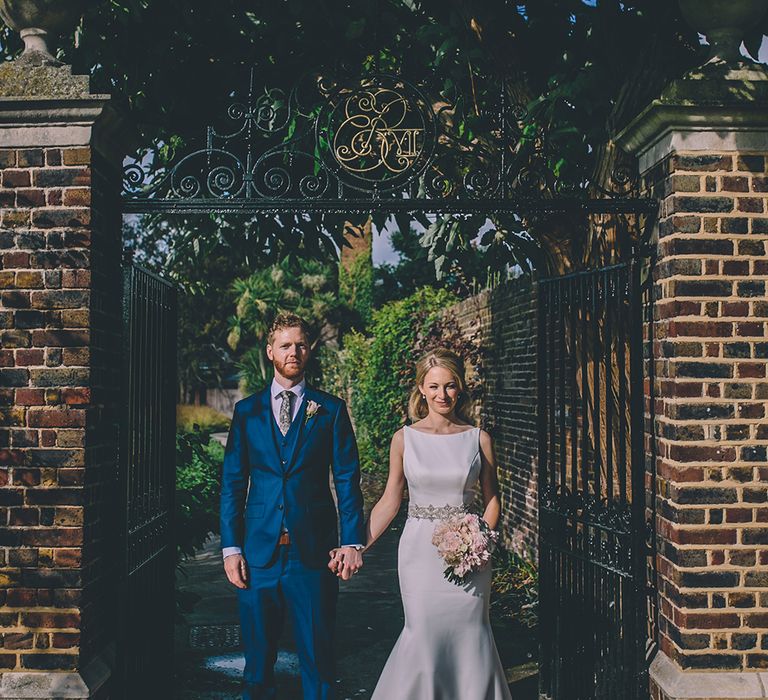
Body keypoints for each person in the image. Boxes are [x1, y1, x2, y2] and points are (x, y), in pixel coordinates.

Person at [331, 347, 512, 699]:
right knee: (424, 631)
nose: (441, 395)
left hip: (470, 555)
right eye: (433, 387)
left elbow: (492, 500)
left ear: (460, 389)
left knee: (471, 631)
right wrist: (355, 545)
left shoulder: (478, 439)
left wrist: (481, 541)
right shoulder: (404, 439)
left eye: (449, 386)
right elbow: (389, 500)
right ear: (421, 390)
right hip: (419, 553)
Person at [220, 312, 366, 700]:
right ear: (270, 352)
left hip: (313, 555)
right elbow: (233, 482)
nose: (294, 351)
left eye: (300, 344)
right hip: (258, 554)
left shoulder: (330, 410)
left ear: (309, 350)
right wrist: (231, 547)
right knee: (256, 667)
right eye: (285, 345)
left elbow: (348, 478)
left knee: (318, 663)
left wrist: (352, 541)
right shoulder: (246, 411)